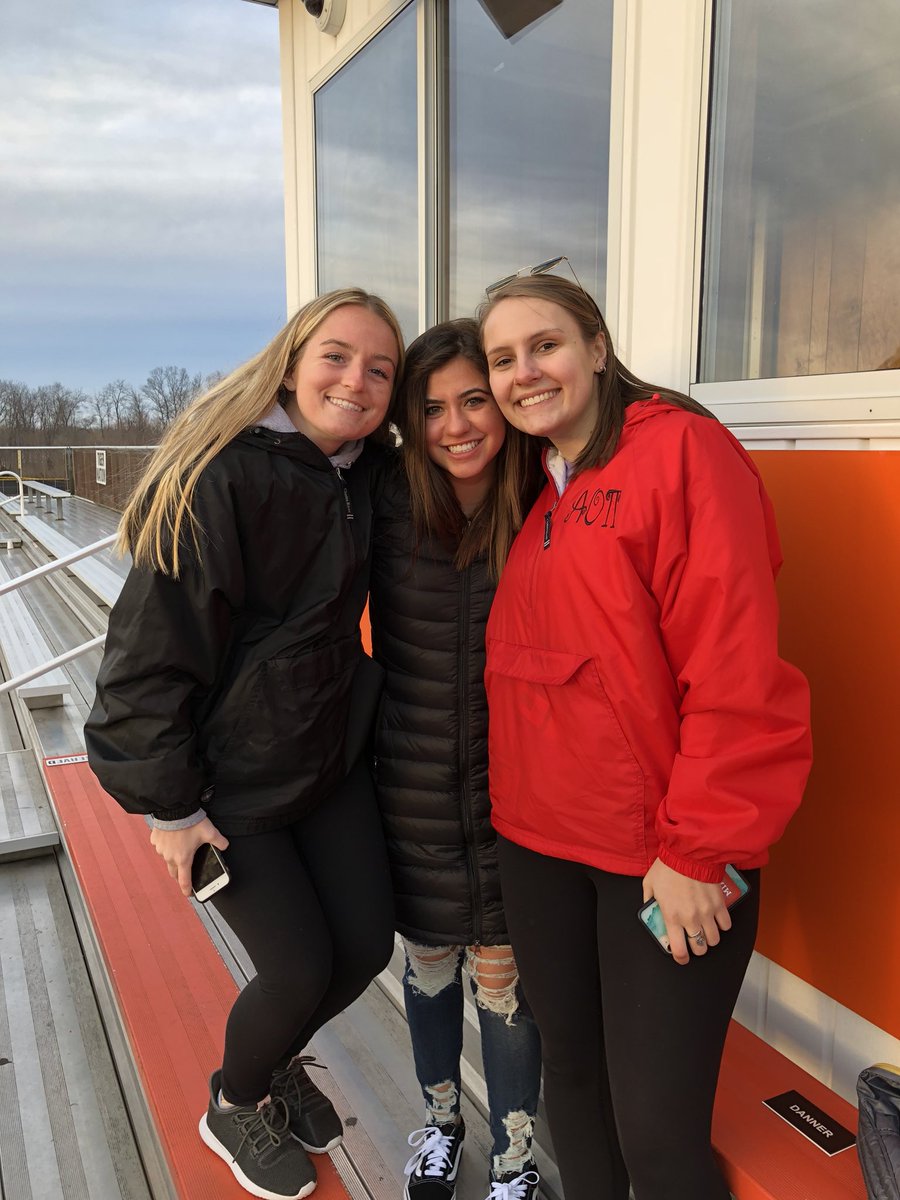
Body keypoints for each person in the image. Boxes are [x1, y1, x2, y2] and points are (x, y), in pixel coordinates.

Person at [476, 273, 812, 1200]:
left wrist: (703, 850)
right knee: (572, 1092)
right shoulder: (538, 486)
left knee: (657, 1134)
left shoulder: (682, 455)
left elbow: (737, 668)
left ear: (597, 345)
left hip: (658, 859)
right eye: (502, 359)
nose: (523, 372)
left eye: (543, 345)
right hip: (538, 845)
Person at [85, 288, 404, 1200]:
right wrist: (172, 806)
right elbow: (148, 658)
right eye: (338, 356)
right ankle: (236, 1099)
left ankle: (275, 1058)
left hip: (322, 760)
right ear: (293, 359)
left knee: (365, 944)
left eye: (380, 369)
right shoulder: (225, 477)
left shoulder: (358, 472)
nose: (357, 380)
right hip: (228, 784)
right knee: (299, 964)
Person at [368, 320, 543, 1200]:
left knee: (508, 982)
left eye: (475, 399)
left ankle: (514, 1158)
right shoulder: (385, 500)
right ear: (410, 418)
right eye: (433, 407)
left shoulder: (548, 494)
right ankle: (439, 1125)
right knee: (431, 964)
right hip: (415, 782)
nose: (457, 425)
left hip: (523, 787)